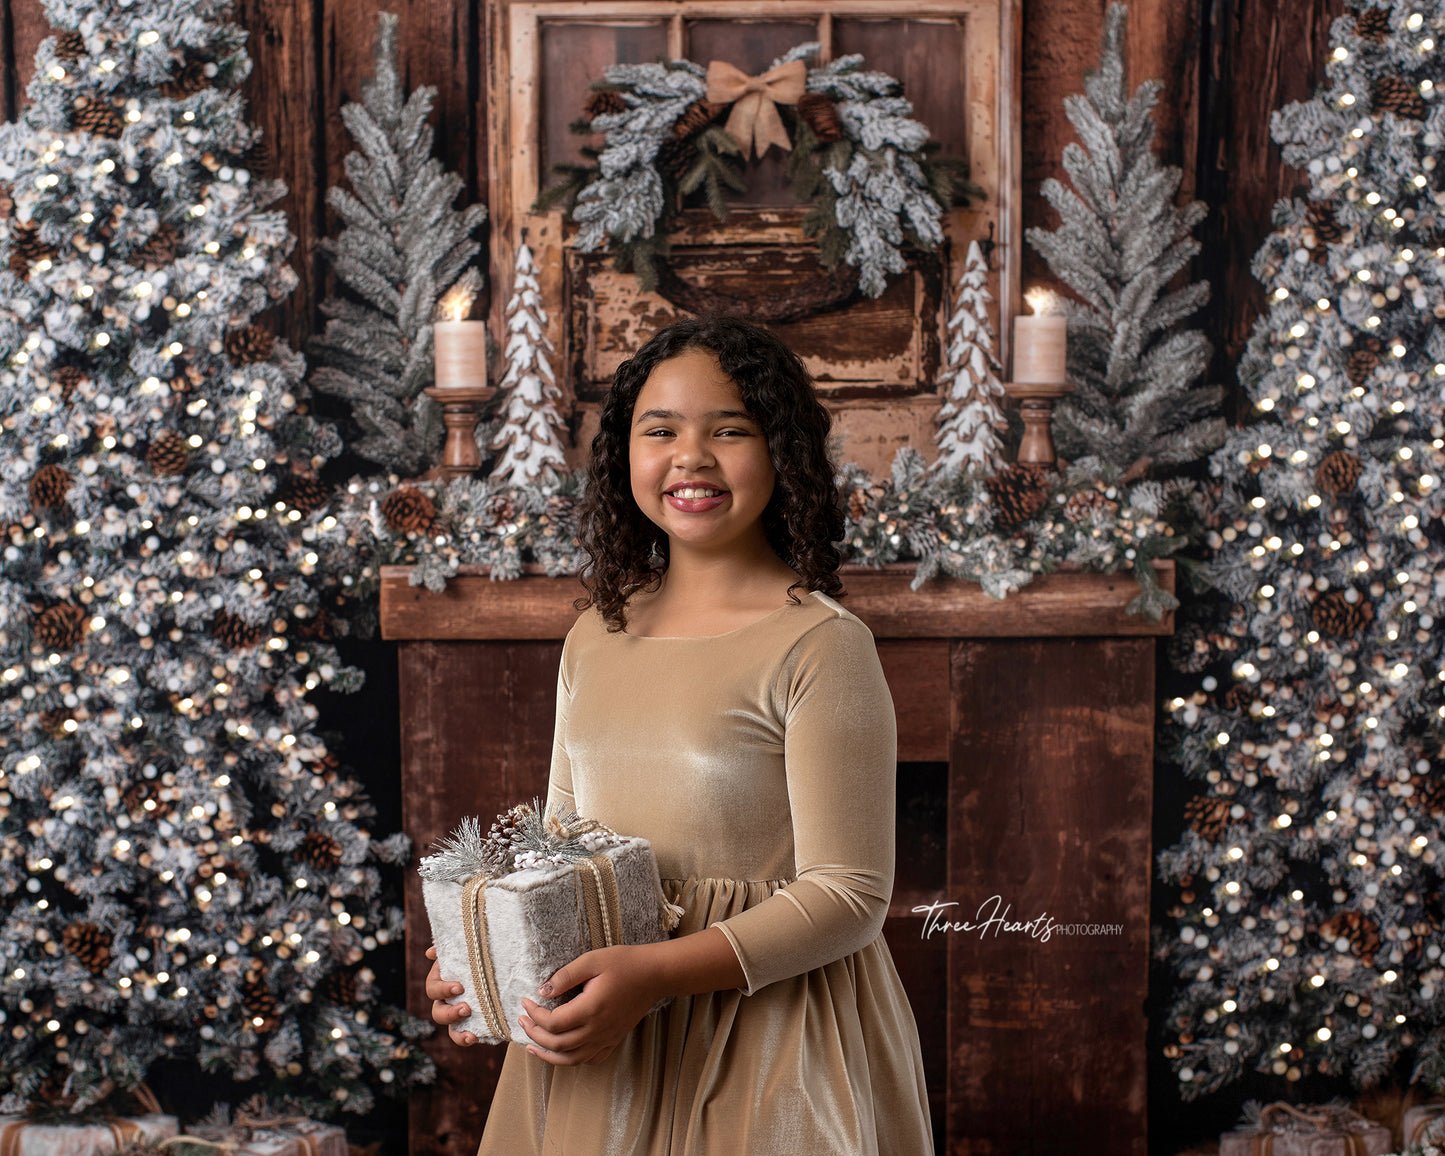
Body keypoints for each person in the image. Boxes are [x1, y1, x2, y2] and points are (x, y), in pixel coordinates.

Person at [423, 314, 933, 1154]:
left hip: (770, 1036)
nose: (690, 456)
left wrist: (654, 974)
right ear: (626, 453)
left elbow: (848, 895)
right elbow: (554, 847)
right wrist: (479, 955)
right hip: (609, 1044)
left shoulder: (821, 644)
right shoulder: (597, 633)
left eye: (728, 430)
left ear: (782, 453)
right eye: (659, 431)